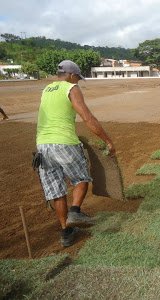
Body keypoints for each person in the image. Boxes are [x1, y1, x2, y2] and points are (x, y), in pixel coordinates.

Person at [36, 60, 115, 247]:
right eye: (78, 77)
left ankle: (66, 231)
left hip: (43, 146)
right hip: (65, 143)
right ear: (71, 75)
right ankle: (75, 211)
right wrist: (108, 141)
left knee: (57, 191)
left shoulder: (46, 90)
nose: (78, 81)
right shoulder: (71, 88)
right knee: (81, 178)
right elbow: (87, 117)